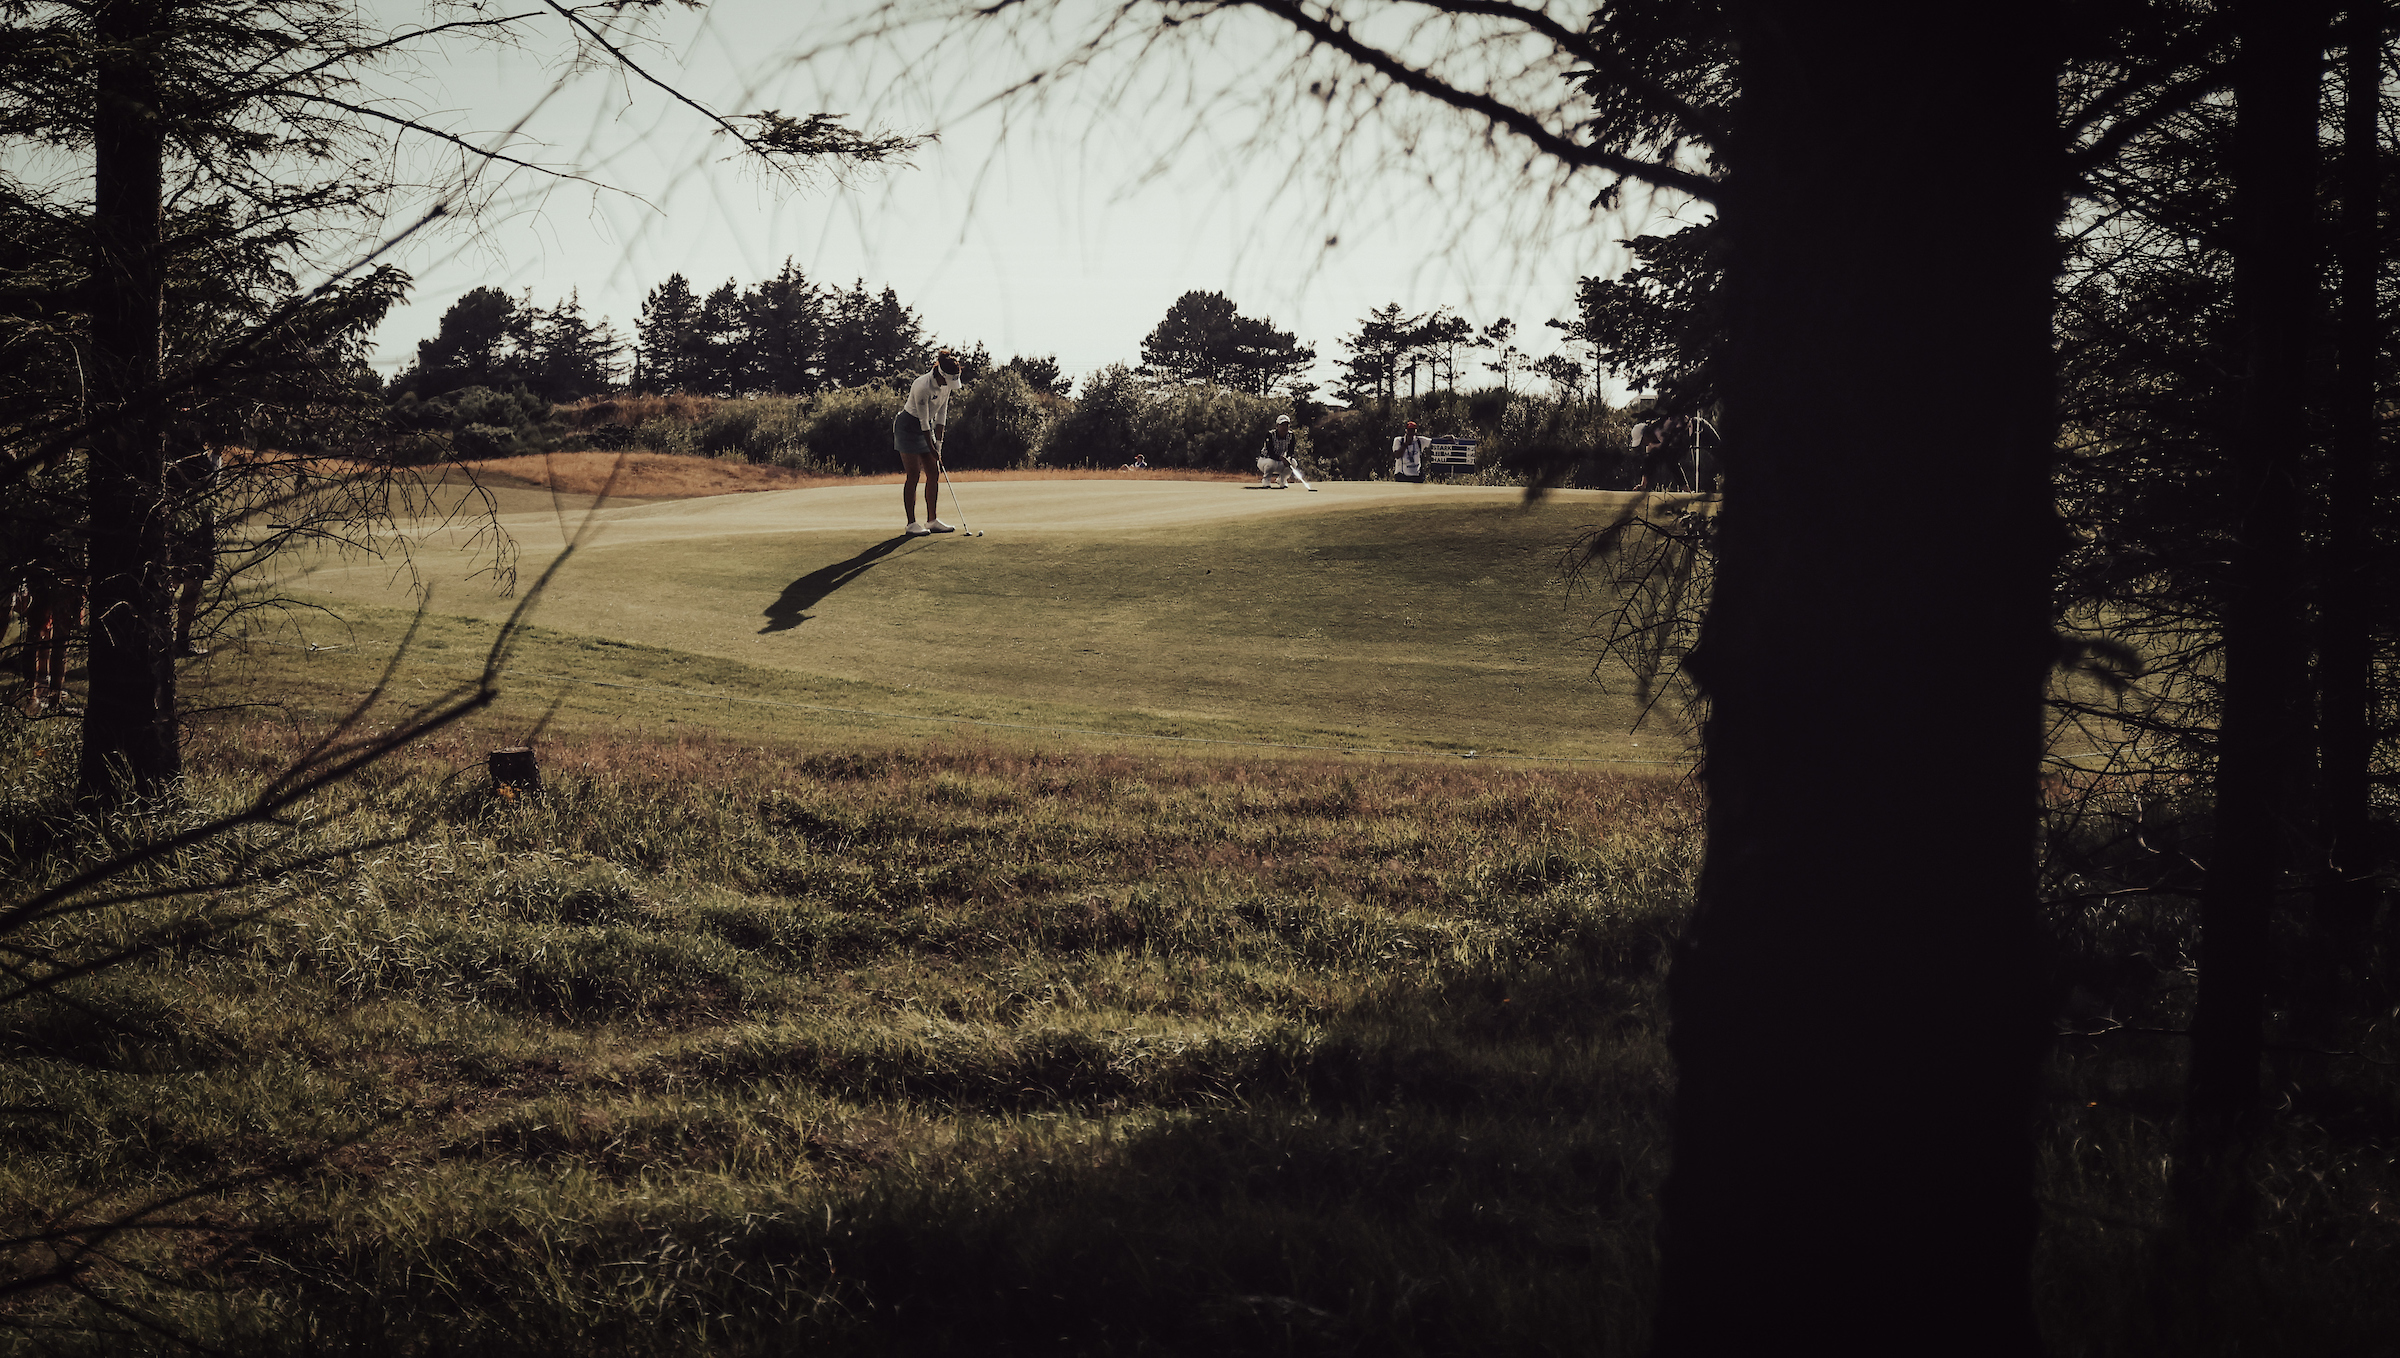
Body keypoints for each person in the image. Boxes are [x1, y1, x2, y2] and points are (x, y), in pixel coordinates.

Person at [892, 350, 963, 535]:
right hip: (908, 426)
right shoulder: (922, 385)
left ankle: (932, 521)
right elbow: (923, 422)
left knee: (933, 471)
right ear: (941, 373)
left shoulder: (946, 385)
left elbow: (941, 415)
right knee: (914, 474)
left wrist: (939, 444)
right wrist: (932, 448)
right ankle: (911, 524)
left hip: (925, 427)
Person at [166, 427, 222, 657]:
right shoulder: (194, 463)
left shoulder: (176, 460)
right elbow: (210, 483)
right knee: (185, 580)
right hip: (193, 529)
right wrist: (216, 456)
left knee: (185, 581)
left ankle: (174, 637)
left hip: (190, 527)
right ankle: (176, 638)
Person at [1257, 414, 1299, 488]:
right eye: (1282, 425)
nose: (1284, 427)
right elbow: (1270, 452)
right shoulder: (1270, 434)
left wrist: (1288, 458)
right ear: (1277, 426)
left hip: (1279, 461)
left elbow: (1291, 451)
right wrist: (1282, 458)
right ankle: (1266, 480)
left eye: (1286, 425)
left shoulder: (1291, 435)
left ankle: (1282, 480)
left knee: (1293, 463)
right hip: (1265, 460)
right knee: (1271, 462)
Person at [1391, 420, 1431, 484]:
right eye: (1409, 430)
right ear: (1406, 431)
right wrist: (1405, 444)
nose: (1411, 432)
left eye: (1413, 430)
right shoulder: (1399, 440)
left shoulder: (1419, 441)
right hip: (1402, 475)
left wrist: (1444, 439)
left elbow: (1433, 442)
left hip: (1416, 475)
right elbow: (1397, 455)